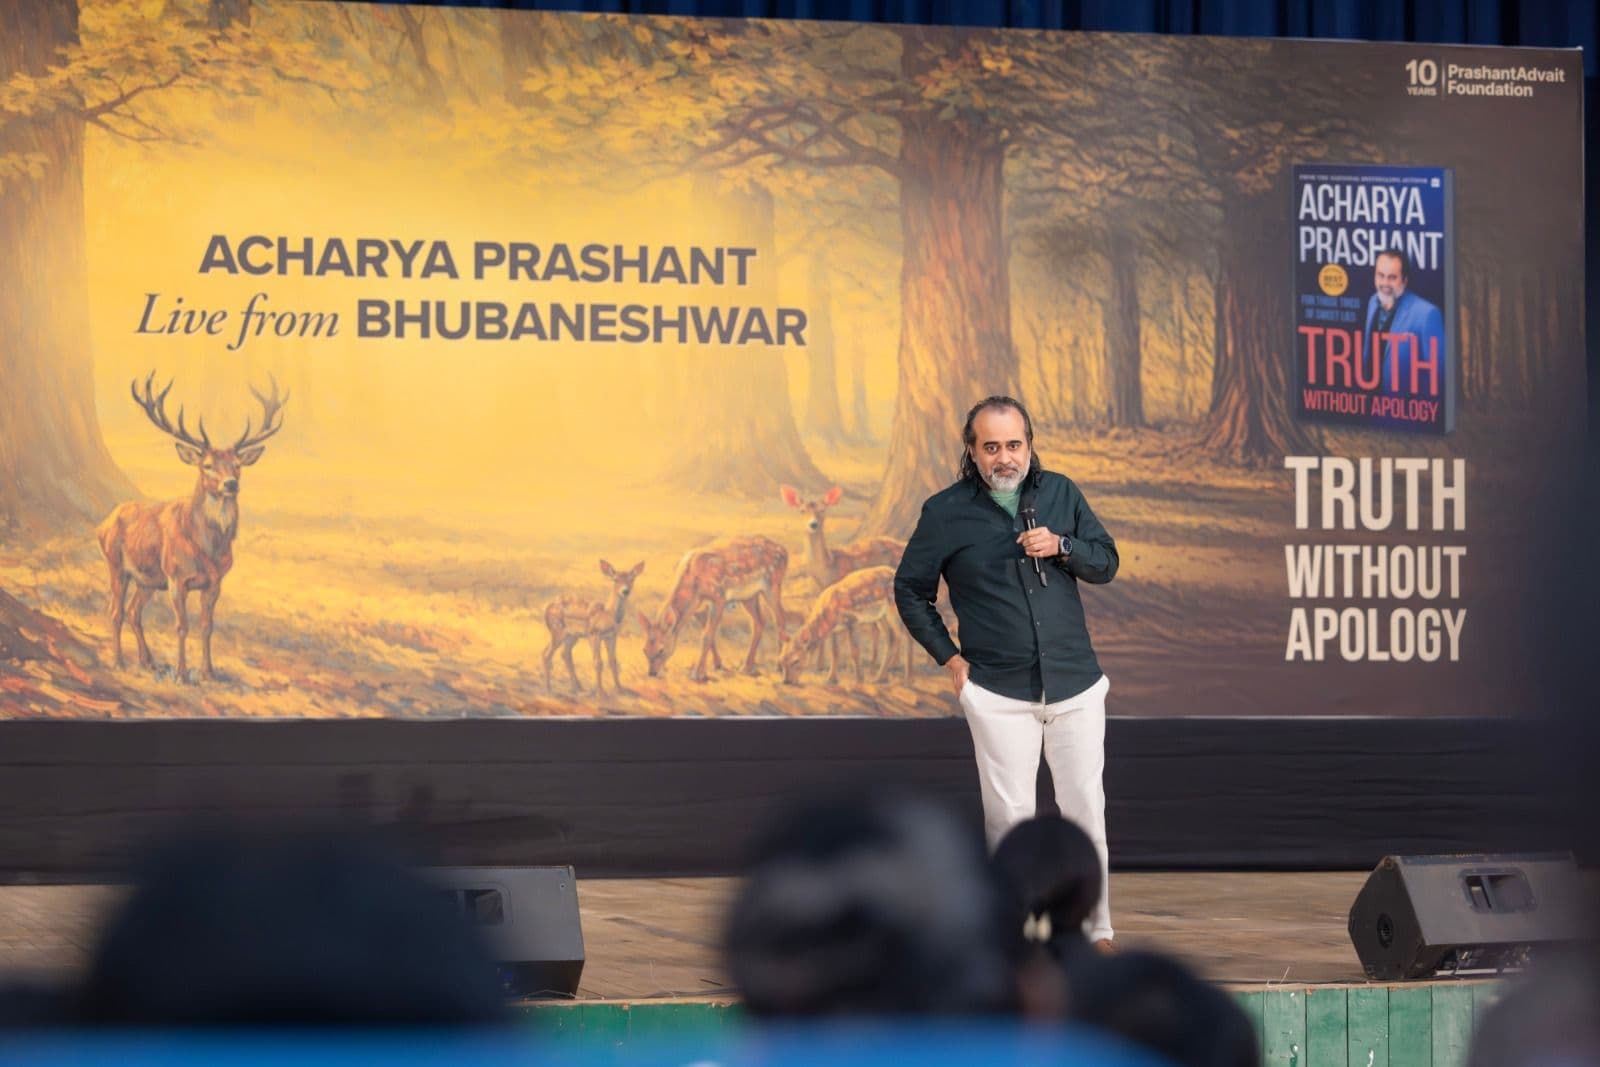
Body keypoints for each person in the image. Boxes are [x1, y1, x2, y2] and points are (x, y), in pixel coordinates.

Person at [894, 395, 1119, 950]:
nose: (1004, 457)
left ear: (1029, 445)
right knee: (1010, 819)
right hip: (996, 690)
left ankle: (1095, 931)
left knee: (1085, 809)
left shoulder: (1060, 492)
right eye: (990, 446)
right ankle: (1017, 935)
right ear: (971, 451)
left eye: (1013, 444)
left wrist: (1063, 546)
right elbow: (910, 589)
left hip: (1075, 684)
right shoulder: (945, 511)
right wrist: (950, 659)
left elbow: (1106, 561)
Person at [1365, 248, 1444, 413]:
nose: (1385, 284)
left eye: (1392, 277)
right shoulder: (1372, 302)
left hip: (1404, 414)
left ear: (1405, 280)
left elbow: (1438, 376)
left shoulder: (1427, 314)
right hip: (1370, 410)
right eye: (1380, 275)